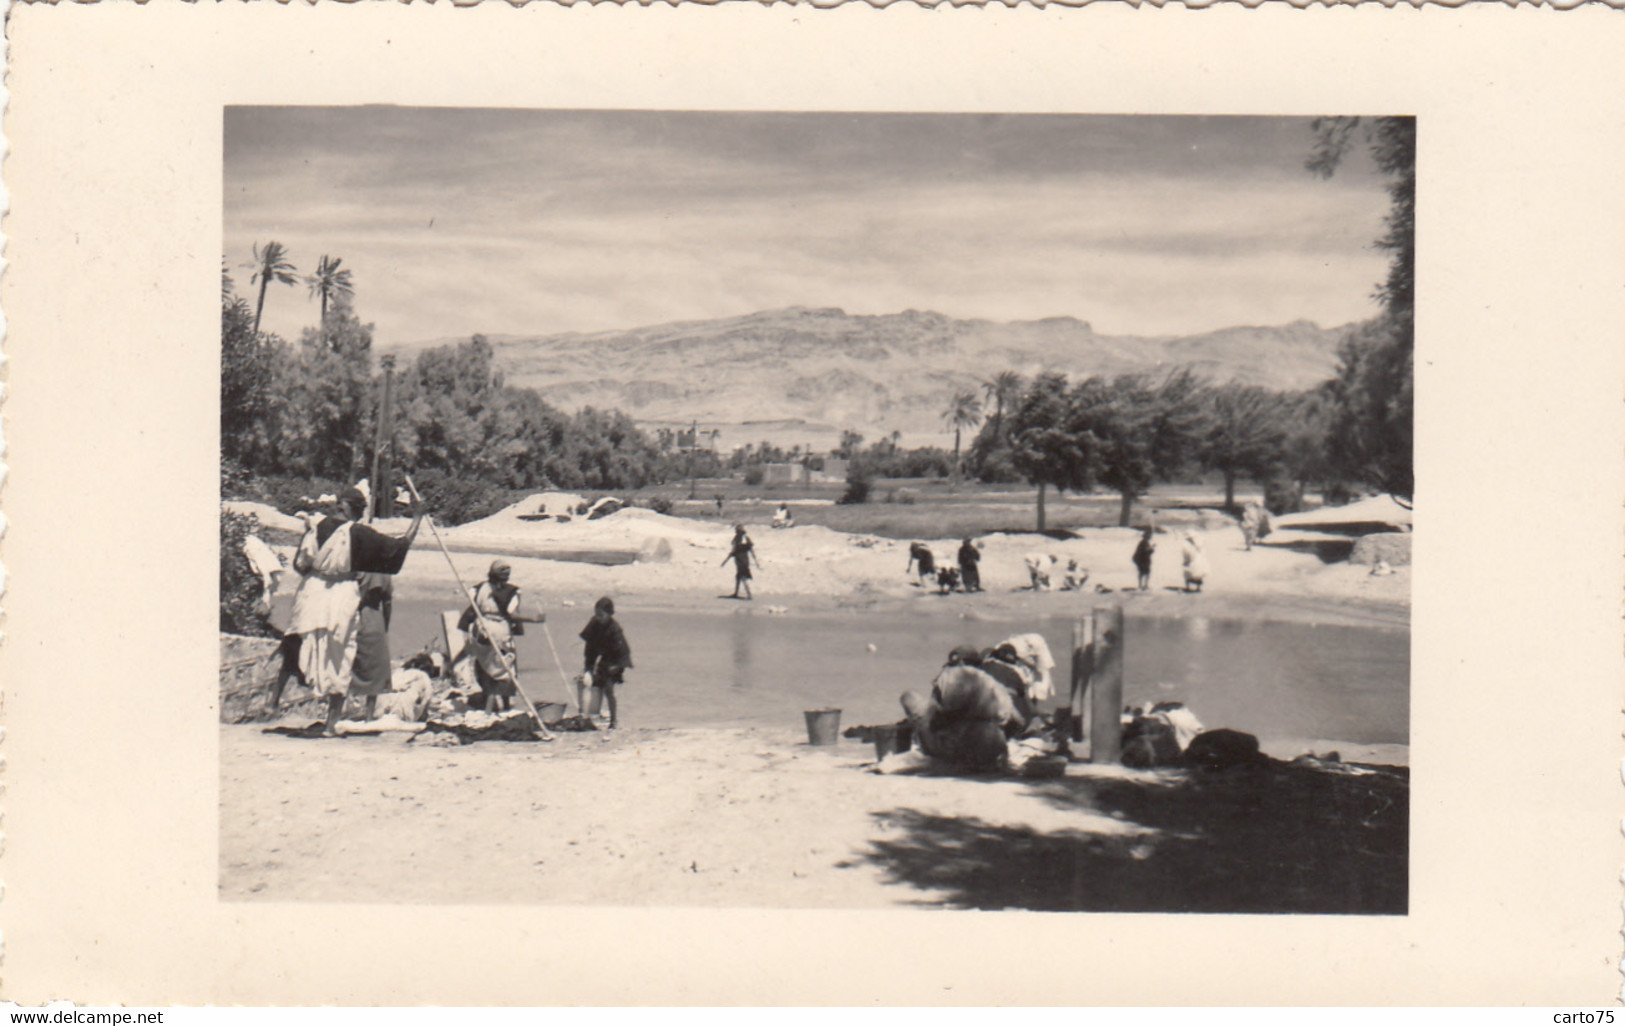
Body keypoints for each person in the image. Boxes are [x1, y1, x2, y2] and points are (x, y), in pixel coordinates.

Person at [287, 487, 422, 736]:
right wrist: (418, 518)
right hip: (341, 596)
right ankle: (330, 724)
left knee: (317, 649)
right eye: (359, 510)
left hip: (311, 595)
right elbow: (398, 548)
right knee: (341, 655)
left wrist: (321, 573)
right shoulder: (357, 532)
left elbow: (300, 565)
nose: (359, 515)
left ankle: (316, 710)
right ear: (350, 508)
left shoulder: (315, 527)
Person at [900, 647, 1024, 772]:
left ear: (960, 663)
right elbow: (1020, 721)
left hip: (963, 746)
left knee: (909, 697)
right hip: (994, 745)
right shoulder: (992, 682)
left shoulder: (947, 675)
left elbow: (936, 714)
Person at [459, 560, 547, 713]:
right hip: (500, 632)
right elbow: (511, 613)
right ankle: (505, 706)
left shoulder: (478, 588)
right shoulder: (512, 592)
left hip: (482, 631)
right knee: (506, 668)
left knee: (485, 665)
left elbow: (471, 603)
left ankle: (489, 705)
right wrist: (534, 619)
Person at [580, 596, 633, 729]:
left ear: (609, 614)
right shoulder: (594, 623)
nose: (598, 617)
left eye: (601, 615)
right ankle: (589, 716)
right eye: (596, 614)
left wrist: (616, 667)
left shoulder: (615, 629)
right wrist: (588, 668)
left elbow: (624, 652)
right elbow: (589, 647)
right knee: (588, 683)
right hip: (602, 656)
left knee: (608, 688)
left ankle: (613, 720)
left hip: (616, 659)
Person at [723, 524, 759, 599]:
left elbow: (733, 550)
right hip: (745, 559)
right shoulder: (746, 538)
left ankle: (749, 594)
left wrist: (726, 560)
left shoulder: (737, 539)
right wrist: (755, 561)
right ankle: (737, 593)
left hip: (739, 559)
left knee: (741, 576)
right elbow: (751, 551)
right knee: (739, 576)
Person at [1132, 527, 1155, 591]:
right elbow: (1145, 552)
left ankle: (1143, 585)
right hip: (1142, 560)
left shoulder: (1144, 542)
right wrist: (1151, 549)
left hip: (1143, 560)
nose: (1150, 537)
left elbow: (1147, 551)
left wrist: (1151, 549)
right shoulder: (1143, 543)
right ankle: (1143, 585)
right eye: (1149, 536)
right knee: (1144, 572)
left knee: (1144, 572)